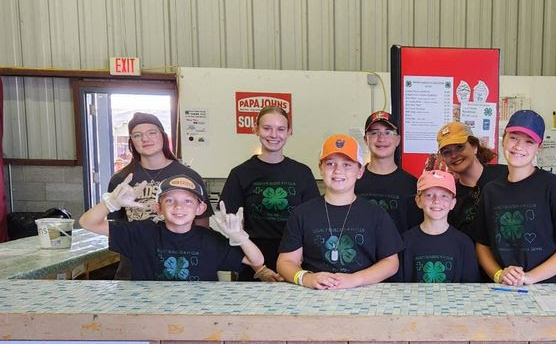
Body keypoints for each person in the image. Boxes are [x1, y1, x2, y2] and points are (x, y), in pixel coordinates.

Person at [78, 174, 263, 281]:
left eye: (188, 201)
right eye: (169, 200)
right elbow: (87, 222)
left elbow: (257, 261)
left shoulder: (210, 240)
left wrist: (240, 237)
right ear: (158, 207)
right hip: (149, 313)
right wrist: (111, 203)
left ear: (201, 208)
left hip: (197, 316)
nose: (179, 207)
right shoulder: (142, 233)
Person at [276, 134, 402, 290]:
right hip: (315, 296)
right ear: (321, 168)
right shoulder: (302, 214)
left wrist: (355, 279)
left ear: (360, 171)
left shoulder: (376, 214)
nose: (338, 171)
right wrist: (306, 278)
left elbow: (391, 263)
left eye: (347, 164)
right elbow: (285, 262)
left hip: (364, 295)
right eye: (330, 164)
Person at [475, 110, 556, 285]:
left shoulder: (552, 186)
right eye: (513, 137)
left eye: (529, 141)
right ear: (503, 138)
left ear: (538, 147)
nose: (519, 146)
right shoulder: (491, 191)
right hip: (506, 289)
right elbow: (483, 246)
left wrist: (530, 277)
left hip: (551, 290)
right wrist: (499, 274)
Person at [220, 105, 320, 282]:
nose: (274, 135)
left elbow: (312, 224)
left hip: (296, 259)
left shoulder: (302, 173)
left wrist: (295, 265)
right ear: (256, 129)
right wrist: (259, 269)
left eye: (281, 129)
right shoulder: (240, 174)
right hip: (252, 260)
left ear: (289, 132)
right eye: (267, 128)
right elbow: (233, 230)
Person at [107, 112, 212, 224]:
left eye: (152, 133)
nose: (145, 139)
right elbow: (114, 226)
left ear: (163, 136)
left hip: (179, 242)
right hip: (136, 241)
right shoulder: (121, 179)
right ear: (131, 141)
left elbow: (202, 224)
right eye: (137, 135)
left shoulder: (189, 176)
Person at [398, 170, 479, 283]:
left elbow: (470, 289)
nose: (437, 201)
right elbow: (397, 288)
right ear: (418, 201)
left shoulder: (464, 243)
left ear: (453, 203)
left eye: (444, 196)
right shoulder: (404, 241)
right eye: (429, 195)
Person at [434, 121, 507, 240]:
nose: (454, 155)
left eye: (459, 147)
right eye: (447, 152)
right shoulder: (450, 197)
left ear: (474, 147)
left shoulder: (506, 175)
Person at [354, 111, 420, 234]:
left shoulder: (412, 185)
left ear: (398, 140)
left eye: (388, 132)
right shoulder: (353, 180)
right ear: (365, 139)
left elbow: (415, 233)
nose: (381, 138)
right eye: (374, 133)